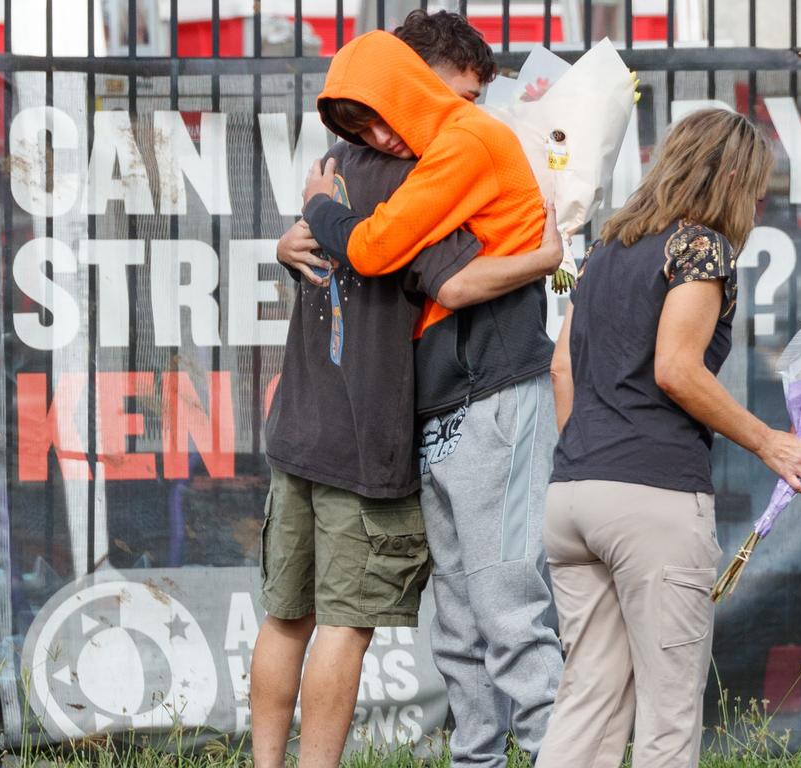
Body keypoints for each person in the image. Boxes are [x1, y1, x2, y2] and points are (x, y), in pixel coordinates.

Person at [251, 13, 563, 768]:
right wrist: (546, 255)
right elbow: (446, 279)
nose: (466, 111)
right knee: (361, 623)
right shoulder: (408, 174)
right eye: (457, 93)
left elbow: (357, 250)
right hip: (374, 438)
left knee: (296, 616)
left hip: (316, 430)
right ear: (406, 79)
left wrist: (305, 224)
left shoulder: (336, 166)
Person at [536, 109, 801, 768]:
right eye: (755, 190)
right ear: (729, 176)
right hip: (654, 498)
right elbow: (676, 368)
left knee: (587, 701)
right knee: (667, 715)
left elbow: (562, 368)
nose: (757, 206)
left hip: (573, 493)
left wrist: (591, 455)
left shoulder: (608, 248)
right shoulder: (701, 248)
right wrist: (769, 443)